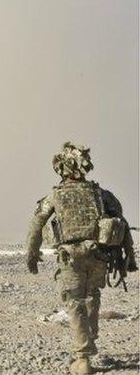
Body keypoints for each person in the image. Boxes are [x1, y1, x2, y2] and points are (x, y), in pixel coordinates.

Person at [26, 142, 137, 375]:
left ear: (63, 168)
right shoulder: (101, 194)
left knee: (75, 302)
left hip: (71, 259)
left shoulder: (55, 196)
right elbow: (123, 224)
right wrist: (130, 257)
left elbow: (37, 224)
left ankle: (82, 357)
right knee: (92, 296)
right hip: (98, 256)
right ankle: (89, 337)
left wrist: (32, 253)